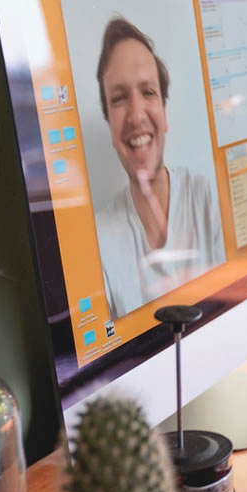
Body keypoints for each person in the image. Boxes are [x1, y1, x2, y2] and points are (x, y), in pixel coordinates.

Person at [93, 17, 224, 319]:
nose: (136, 115)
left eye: (148, 92)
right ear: (111, 128)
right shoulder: (97, 241)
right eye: (119, 98)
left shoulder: (208, 195)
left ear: (165, 114)